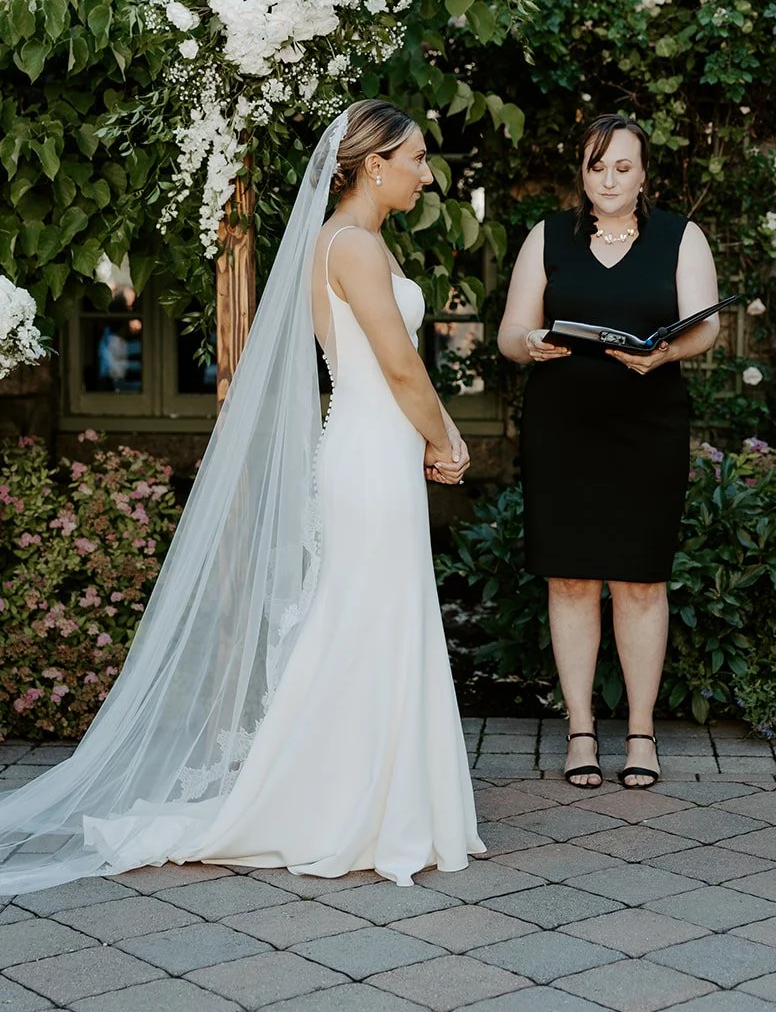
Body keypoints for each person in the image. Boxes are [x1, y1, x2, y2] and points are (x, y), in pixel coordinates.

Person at [0, 100, 485, 892]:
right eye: (417, 159)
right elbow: (399, 367)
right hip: (370, 450)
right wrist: (446, 437)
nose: (426, 174)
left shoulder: (357, 242)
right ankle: (344, 803)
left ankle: (374, 798)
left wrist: (426, 438)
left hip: (378, 449)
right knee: (365, 618)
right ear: (374, 165)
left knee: (371, 618)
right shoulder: (353, 247)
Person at [498, 115, 720, 789]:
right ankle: (580, 731)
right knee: (567, 578)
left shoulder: (681, 237)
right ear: (582, 173)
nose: (610, 180)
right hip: (561, 424)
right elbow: (509, 330)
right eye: (597, 168)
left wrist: (665, 353)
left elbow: (705, 326)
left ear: (643, 172)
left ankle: (642, 734)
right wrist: (528, 344)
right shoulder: (547, 237)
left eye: (623, 168)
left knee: (640, 579)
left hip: (647, 423)